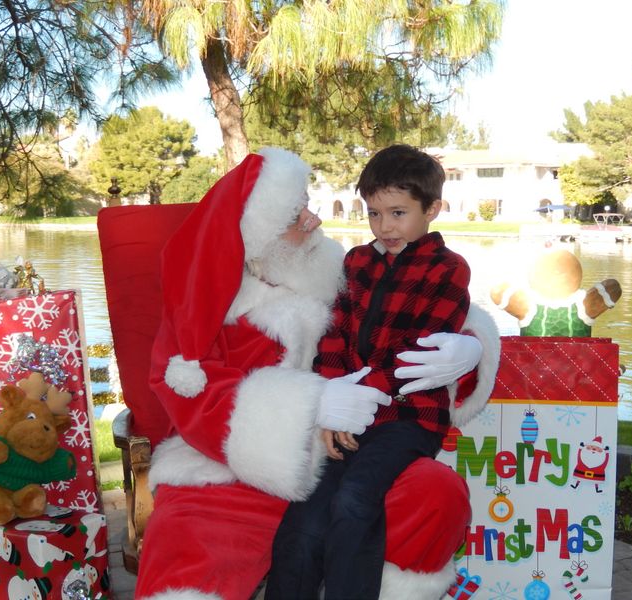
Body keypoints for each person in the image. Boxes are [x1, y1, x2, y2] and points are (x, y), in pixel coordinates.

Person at [135, 147, 500, 600]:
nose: (314, 221)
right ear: (256, 233)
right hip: (234, 472)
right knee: (186, 539)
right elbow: (193, 396)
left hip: (346, 448)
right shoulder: (204, 305)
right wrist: (313, 403)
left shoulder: (336, 271)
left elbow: (413, 320)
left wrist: (471, 345)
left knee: (435, 491)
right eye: (296, 214)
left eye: (309, 205)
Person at [265, 144, 481, 599]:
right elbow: (335, 333)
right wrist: (331, 402)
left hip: (409, 417)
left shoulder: (448, 270)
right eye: (374, 214)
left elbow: (418, 352)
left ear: (433, 209)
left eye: (398, 212)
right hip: (350, 412)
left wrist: (359, 395)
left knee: (355, 500)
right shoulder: (357, 262)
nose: (385, 227)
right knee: (304, 520)